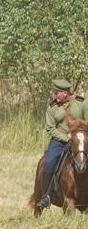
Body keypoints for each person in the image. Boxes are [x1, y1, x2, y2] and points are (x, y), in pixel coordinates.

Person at [35, 79, 86, 210]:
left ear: (64, 93)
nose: (55, 95)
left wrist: (77, 135)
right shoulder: (52, 107)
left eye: (57, 93)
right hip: (59, 141)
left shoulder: (81, 103)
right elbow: (50, 128)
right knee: (49, 162)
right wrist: (65, 137)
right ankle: (46, 196)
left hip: (80, 139)